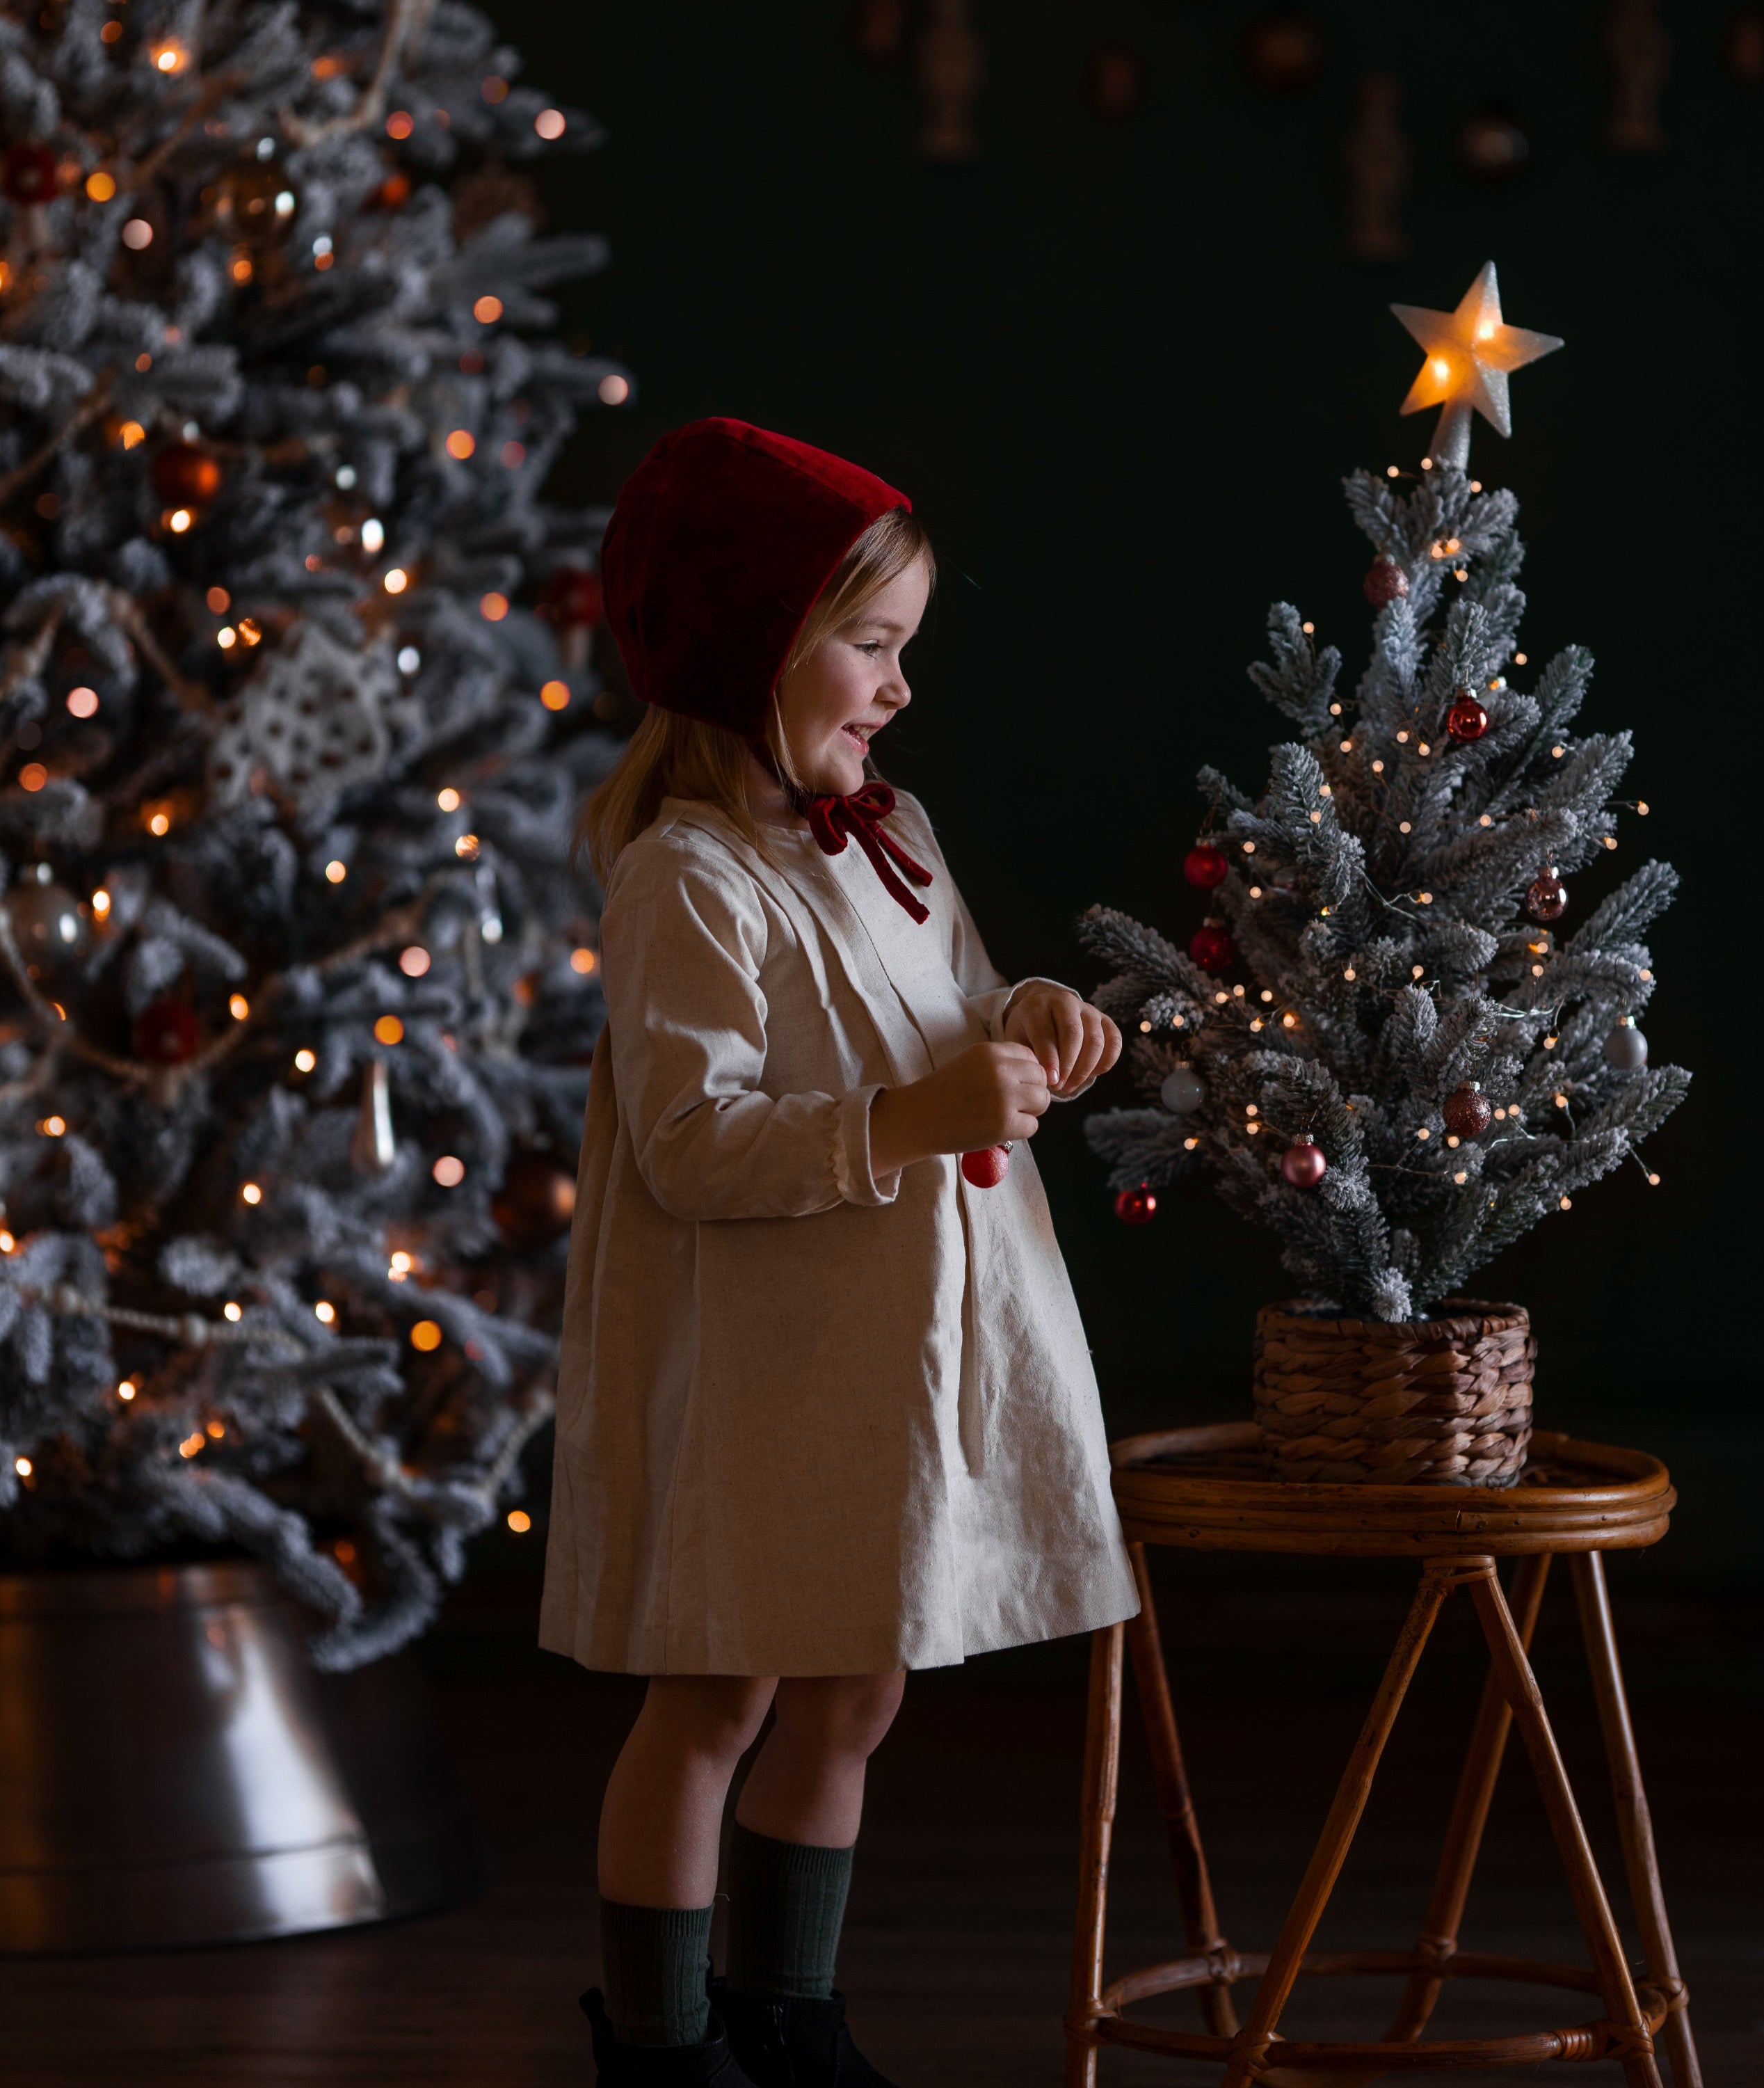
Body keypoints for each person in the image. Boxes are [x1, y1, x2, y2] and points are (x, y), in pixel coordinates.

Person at [546, 418, 1137, 2087]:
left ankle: (786, 2012)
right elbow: (691, 1141)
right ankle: (659, 2046)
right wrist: (910, 1115)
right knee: (716, 1696)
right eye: (869, 648)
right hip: (762, 1362)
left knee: (856, 1690)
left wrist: (1018, 1019)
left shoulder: (897, 834)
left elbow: (939, 1019)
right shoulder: (688, 881)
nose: (893, 689)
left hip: (895, 1351)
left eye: (902, 652)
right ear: (756, 647)